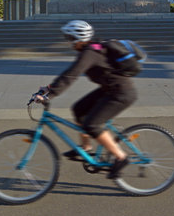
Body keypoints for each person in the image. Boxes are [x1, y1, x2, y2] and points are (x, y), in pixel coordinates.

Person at [34, 20, 137, 179]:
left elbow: (71, 75)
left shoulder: (90, 53)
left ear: (77, 38)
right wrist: (49, 88)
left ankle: (120, 157)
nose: (68, 42)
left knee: (92, 124)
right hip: (109, 90)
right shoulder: (91, 49)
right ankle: (85, 148)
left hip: (121, 94)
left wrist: (50, 94)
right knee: (79, 109)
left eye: (69, 38)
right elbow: (69, 74)